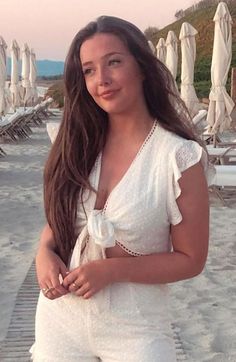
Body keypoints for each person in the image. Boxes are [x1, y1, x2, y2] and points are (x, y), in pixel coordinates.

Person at [31, 15, 210, 362]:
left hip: (136, 327)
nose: (103, 80)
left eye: (113, 62)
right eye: (89, 70)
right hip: (60, 321)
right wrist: (43, 255)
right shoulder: (77, 145)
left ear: (142, 67)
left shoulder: (177, 157)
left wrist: (112, 270)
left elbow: (191, 260)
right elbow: (61, 221)